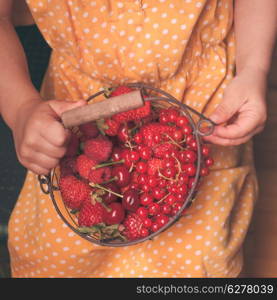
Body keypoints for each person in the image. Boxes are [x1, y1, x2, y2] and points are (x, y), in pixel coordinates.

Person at [0, 0, 276, 278]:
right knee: (56, 260)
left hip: (199, 102)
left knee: (199, 263)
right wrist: (21, 108)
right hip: (79, 115)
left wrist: (254, 70)